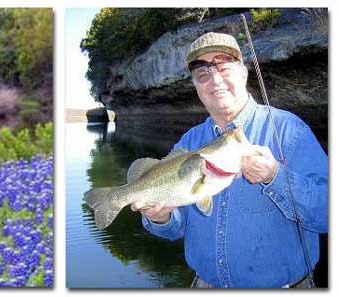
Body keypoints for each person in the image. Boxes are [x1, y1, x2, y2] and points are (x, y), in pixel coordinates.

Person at [131, 32, 328, 288]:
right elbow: (176, 228)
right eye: (203, 74)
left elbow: (327, 215)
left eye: (224, 67)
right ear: (196, 87)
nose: (215, 80)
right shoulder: (189, 143)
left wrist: (275, 177)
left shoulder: (290, 131)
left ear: (244, 73)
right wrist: (160, 218)